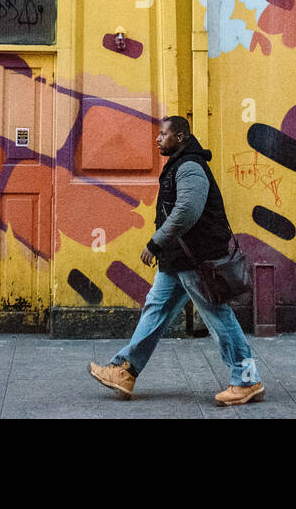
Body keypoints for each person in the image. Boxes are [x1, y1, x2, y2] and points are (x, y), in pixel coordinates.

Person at [88, 115, 264, 406]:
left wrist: (155, 243)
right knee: (155, 311)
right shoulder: (179, 164)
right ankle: (125, 371)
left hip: (197, 259)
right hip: (179, 260)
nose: (158, 139)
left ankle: (246, 380)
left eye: (164, 134)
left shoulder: (190, 166)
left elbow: (186, 211)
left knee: (217, 315)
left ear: (180, 138)